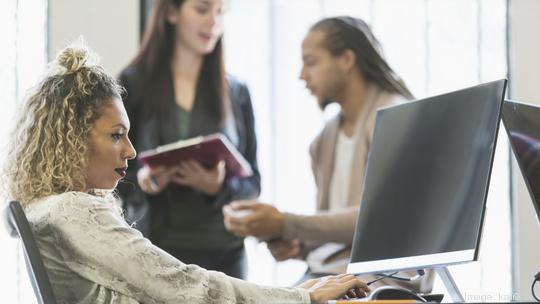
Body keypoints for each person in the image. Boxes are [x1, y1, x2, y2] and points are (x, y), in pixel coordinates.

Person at [2, 43, 370, 304]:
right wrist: (304, 297)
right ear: (73, 140)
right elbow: (184, 286)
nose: (131, 151)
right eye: (116, 136)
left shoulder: (47, 208)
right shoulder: (74, 211)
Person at [223, 16, 434, 292]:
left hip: (382, 279)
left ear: (347, 60)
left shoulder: (396, 116)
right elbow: (339, 228)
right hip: (330, 274)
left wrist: (288, 224)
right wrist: (296, 243)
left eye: (311, 62)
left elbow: (384, 220)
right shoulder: (323, 141)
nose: (302, 75)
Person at [117, 0, 259, 279]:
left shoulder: (237, 92)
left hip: (225, 255)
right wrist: (143, 180)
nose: (213, 22)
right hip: (155, 251)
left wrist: (218, 187)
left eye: (220, 13)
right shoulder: (132, 85)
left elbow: (253, 184)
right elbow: (109, 172)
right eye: (202, 9)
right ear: (171, 12)